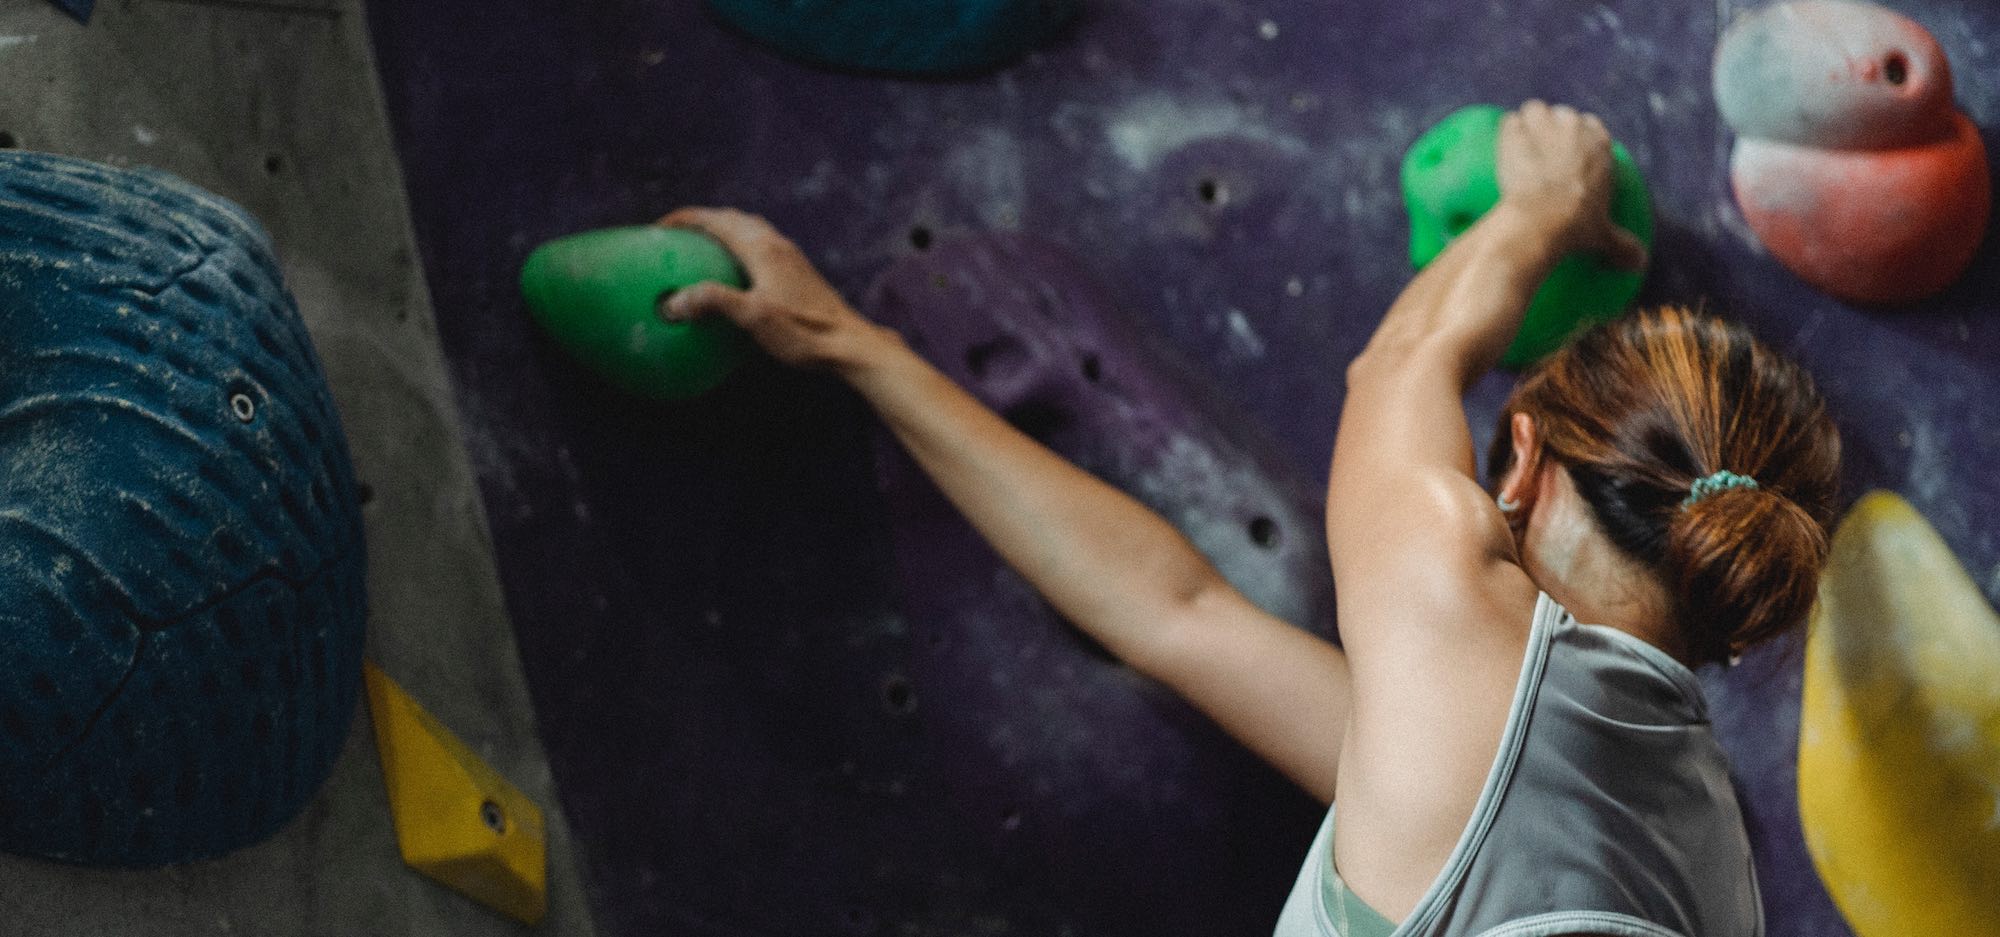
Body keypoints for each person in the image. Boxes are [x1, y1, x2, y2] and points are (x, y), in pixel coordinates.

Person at [659, 101, 1840, 936]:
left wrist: (1533, 212)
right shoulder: (1695, 848)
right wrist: (850, 349)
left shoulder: (1459, 632)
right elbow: (1173, 611)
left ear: (1519, 464)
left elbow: (1400, 366)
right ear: (1739, 608)